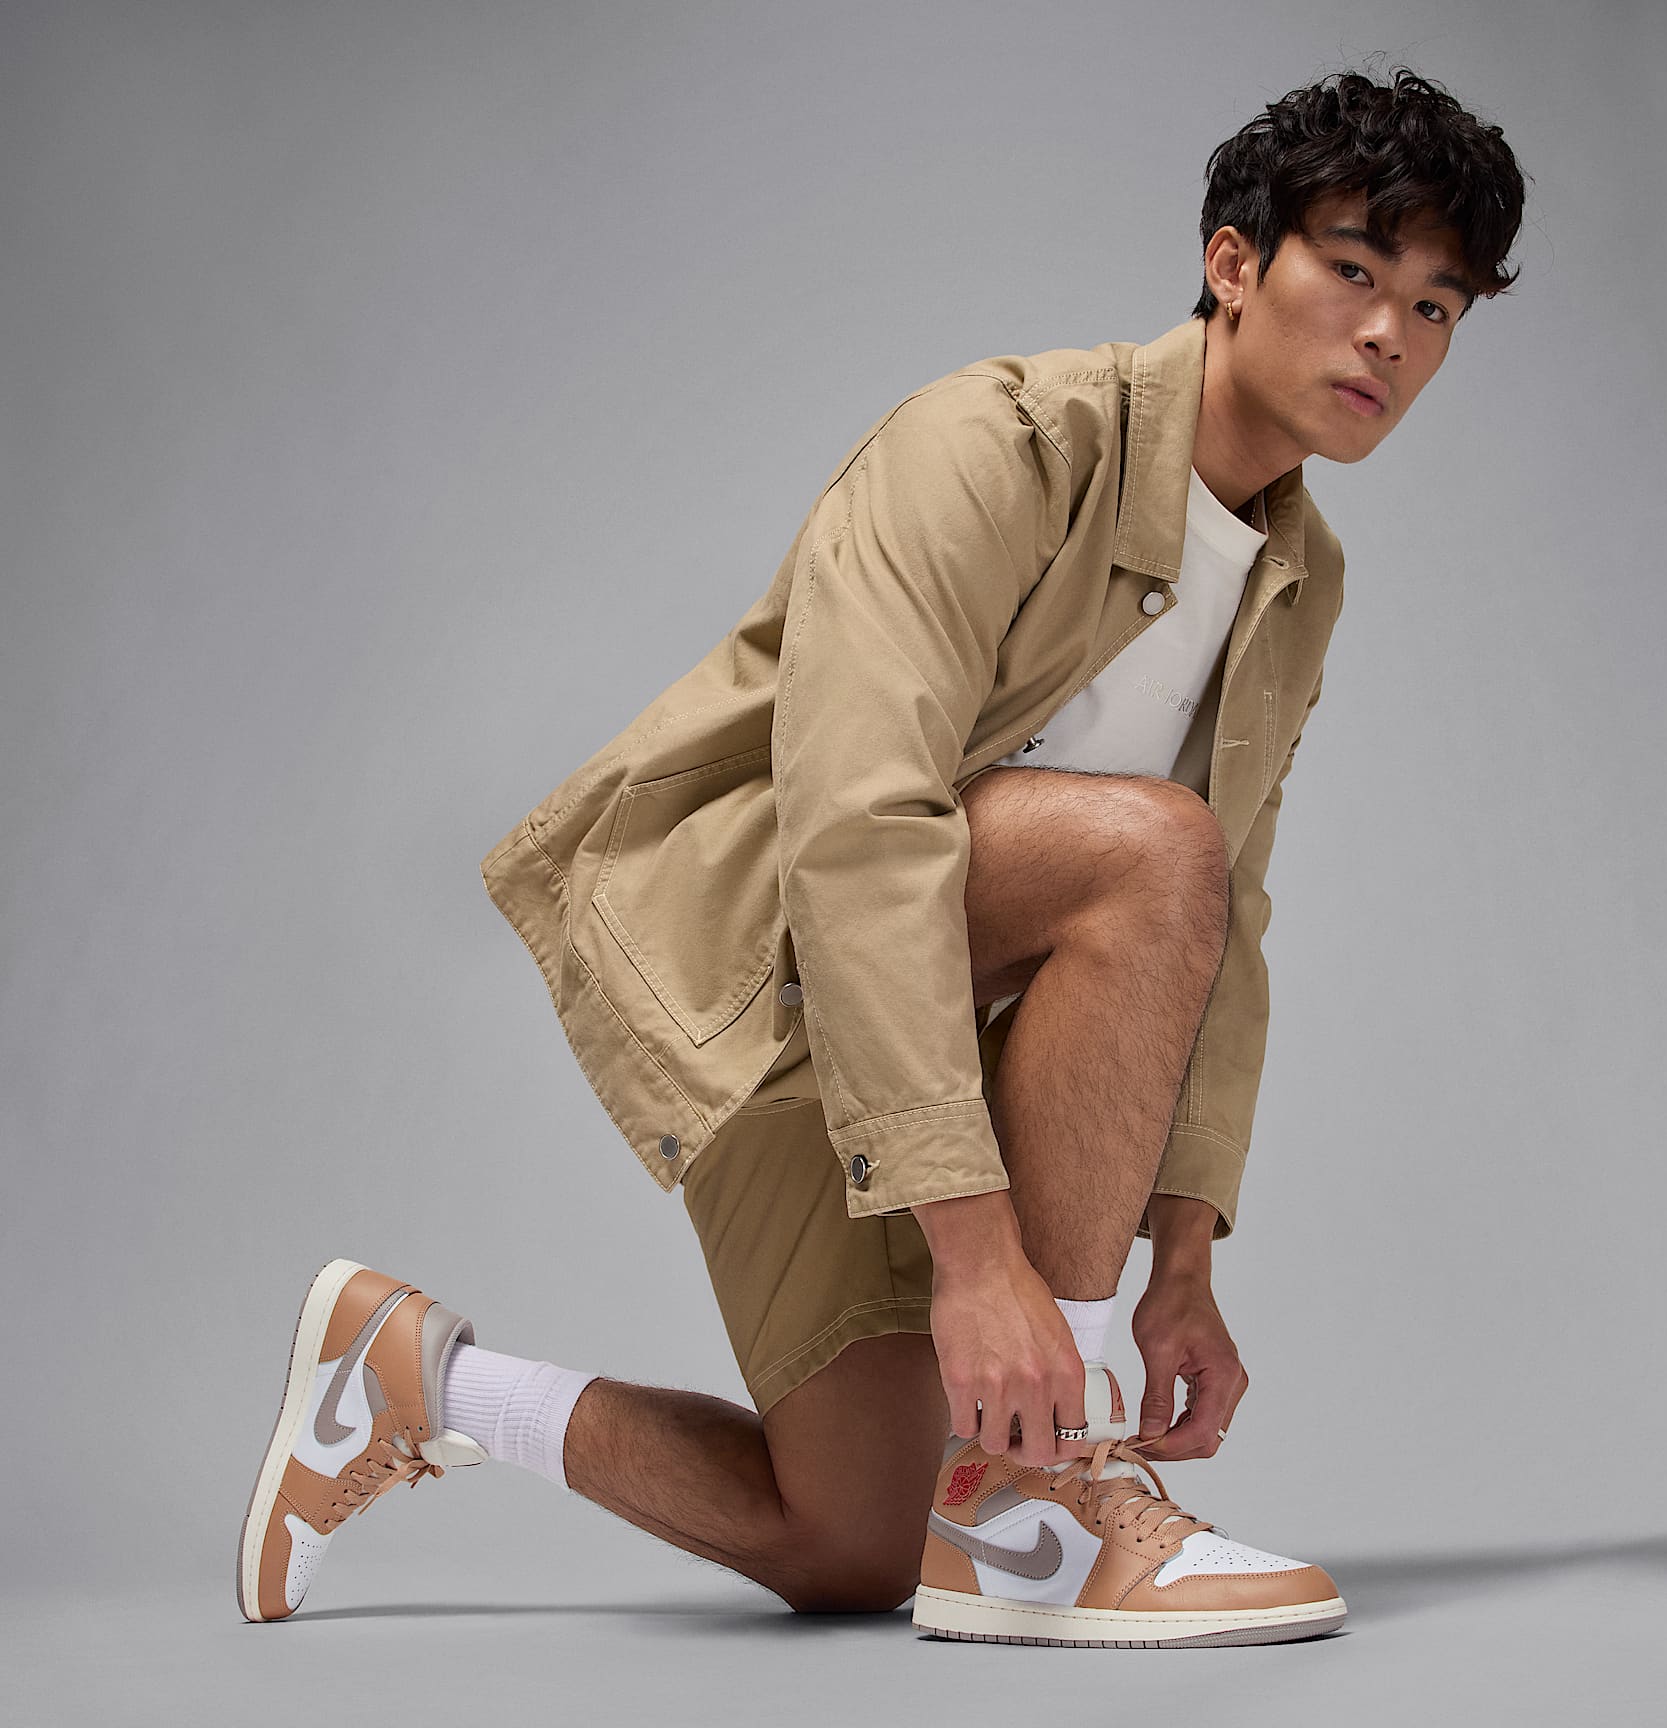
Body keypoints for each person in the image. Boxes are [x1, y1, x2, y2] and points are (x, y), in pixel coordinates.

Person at [237, 67, 1526, 1645]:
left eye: (1436, 308)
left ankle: (416, 1382)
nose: (1391, 334)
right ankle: (1049, 1498)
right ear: (1234, 263)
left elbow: (1229, 925)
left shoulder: (1300, 576)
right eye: (1355, 269)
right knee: (1150, 852)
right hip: (764, 965)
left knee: (853, 1540)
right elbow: (860, 828)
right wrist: (979, 1260)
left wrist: (1183, 1261)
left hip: (926, 1029)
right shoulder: (995, 446)